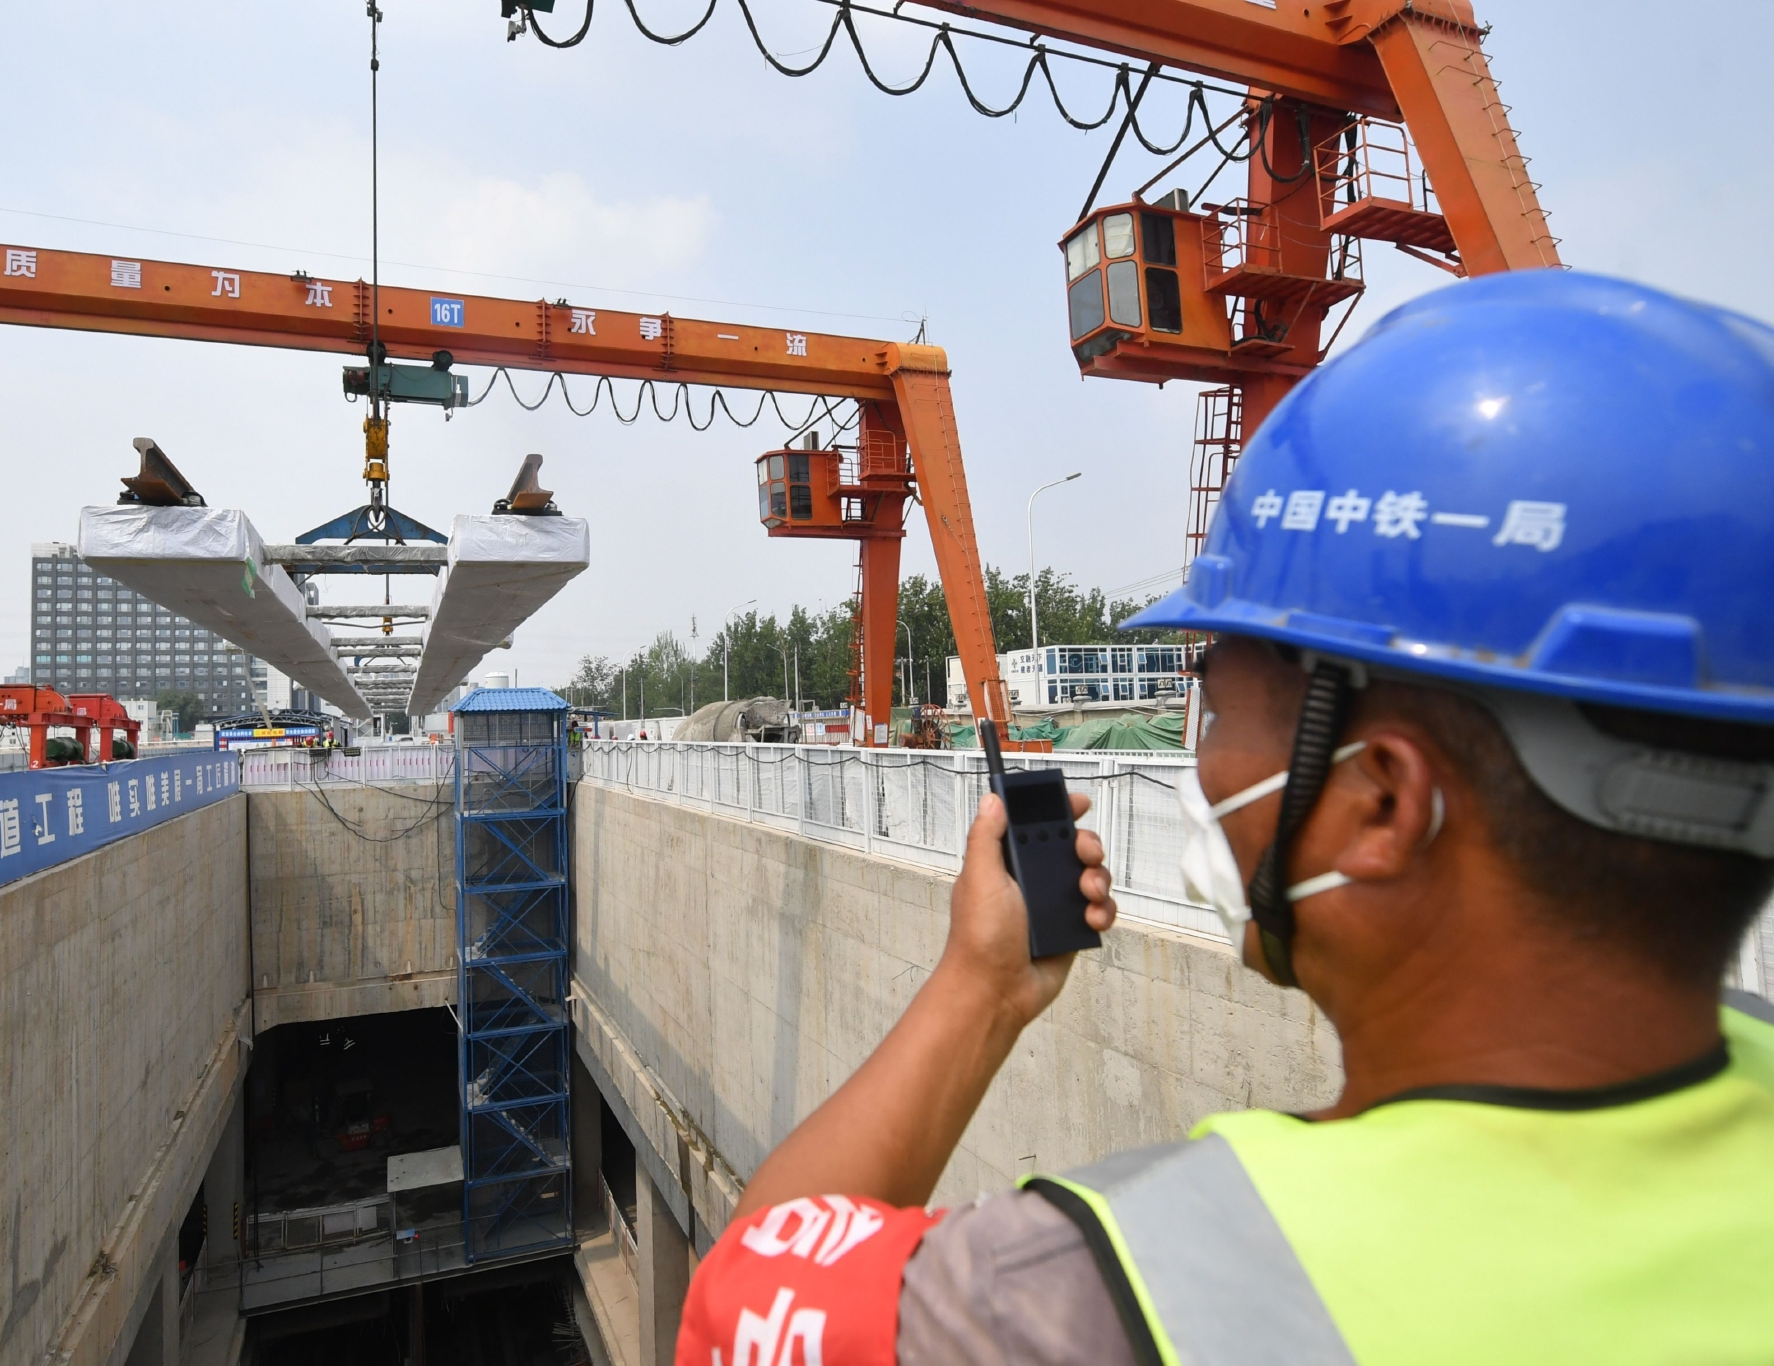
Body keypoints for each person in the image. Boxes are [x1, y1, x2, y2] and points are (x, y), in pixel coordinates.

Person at [676, 271, 1774, 1363]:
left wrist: (980, 986)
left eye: (1211, 703)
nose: (1197, 763)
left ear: (1378, 803)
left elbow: (749, 1290)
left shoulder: (1086, 1301)